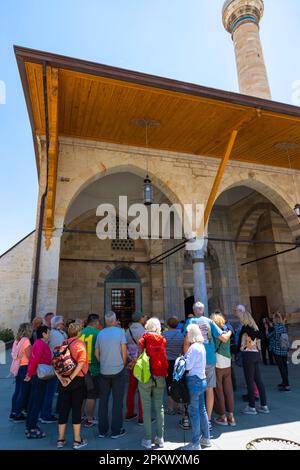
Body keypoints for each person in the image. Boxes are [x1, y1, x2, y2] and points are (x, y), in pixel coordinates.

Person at [183, 302, 231, 431]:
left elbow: (186, 341)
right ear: (203, 311)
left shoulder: (190, 321)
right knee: (209, 389)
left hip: (194, 360)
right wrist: (230, 332)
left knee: (192, 389)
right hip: (209, 358)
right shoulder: (209, 321)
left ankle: (191, 419)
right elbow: (223, 338)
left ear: (193, 310)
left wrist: (185, 359)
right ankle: (208, 420)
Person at [56, 321, 88, 449]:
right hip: (77, 380)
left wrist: (62, 379)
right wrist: (70, 378)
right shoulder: (80, 344)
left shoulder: (63, 343)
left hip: (63, 381)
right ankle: (77, 440)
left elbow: (56, 364)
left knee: (63, 409)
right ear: (79, 332)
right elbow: (81, 363)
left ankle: (60, 439)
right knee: (76, 409)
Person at [95, 311, 127, 439]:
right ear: (114, 321)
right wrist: (122, 363)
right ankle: (116, 430)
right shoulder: (120, 332)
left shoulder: (100, 333)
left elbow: (97, 353)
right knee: (117, 401)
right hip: (118, 370)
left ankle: (102, 431)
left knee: (103, 401)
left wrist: (103, 362)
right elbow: (123, 350)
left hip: (104, 370)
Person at [138, 317, 168, 450]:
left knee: (146, 407)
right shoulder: (162, 340)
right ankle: (160, 438)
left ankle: (148, 438)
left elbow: (141, 356)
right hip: (160, 374)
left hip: (146, 375)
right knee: (159, 406)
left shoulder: (143, 339)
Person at [183, 324, 210, 451]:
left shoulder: (193, 347)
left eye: (187, 333)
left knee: (194, 412)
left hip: (194, 380)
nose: (186, 336)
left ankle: (195, 443)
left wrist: (183, 359)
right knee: (202, 410)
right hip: (202, 379)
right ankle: (206, 438)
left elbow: (188, 366)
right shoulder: (201, 346)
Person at [237, 311, 270, 415]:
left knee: (250, 381)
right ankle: (264, 405)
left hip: (248, 356)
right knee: (258, 380)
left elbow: (240, 345)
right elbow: (261, 338)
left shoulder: (245, 329)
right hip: (256, 355)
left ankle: (251, 407)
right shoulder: (255, 328)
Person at [24, 325, 52, 439]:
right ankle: (32, 428)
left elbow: (32, 359)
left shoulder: (38, 343)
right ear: (44, 334)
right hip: (39, 377)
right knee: (36, 403)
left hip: (37, 376)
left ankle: (29, 426)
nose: (49, 334)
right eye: (48, 332)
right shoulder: (41, 344)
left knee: (33, 402)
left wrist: (29, 373)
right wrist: (29, 374)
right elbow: (34, 360)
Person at [40, 316, 67, 424]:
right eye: (61, 322)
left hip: (52, 365)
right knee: (49, 392)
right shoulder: (57, 335)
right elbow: (60, 352)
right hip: (55, 366)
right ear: (57, 324)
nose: (63, 324)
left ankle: (47, 412)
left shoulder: (54, 333)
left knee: (50, 391)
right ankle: (45, 415)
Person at [210, 313, 236, 427]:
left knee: (218, 389)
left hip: (218, 361)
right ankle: (231, 416)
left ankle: (222, 416)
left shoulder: (214, 332)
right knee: (228, 389)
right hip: (227, 360)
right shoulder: (227, 331)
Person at [125, 312, 148, 424]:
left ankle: (129, 413)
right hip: (141, 362)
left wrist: (131, 359)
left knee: (131, 388)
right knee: (142, 389)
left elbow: (125, 348)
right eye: (144, 317)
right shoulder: (144, 331)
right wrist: (138, 359)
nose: (145, 318)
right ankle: (142, 417)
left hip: (131, 363)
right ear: (140, 319)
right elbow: (144, 348)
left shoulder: (127, 331)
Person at [80, 313, 101, 427]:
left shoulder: (81, 332)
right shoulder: (98, 333)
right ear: (96, 322)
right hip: (93, 368)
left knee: (83, 394)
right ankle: (89, 418)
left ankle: (81, 415)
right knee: (91, 395)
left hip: (81, 368)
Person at [10, 323, 32, 422]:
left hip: (18, 368)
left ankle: (13, 412)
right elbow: (29, 356)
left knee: (17, 391)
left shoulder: (17, 340)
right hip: (24, 367)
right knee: (22, 392)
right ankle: (18, 415)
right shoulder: (26, 341)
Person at [163, 317, 184, 414]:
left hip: (167, 362)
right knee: (178, 383)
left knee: (169, 384)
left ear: (168, 325)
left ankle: (170, 408)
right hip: (178, 361)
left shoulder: (164, 335)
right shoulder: (181, 335)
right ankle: (180, 406)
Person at [266, 312, 290, 392]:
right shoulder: (283, 327)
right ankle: (284, 382)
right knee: (285, 367)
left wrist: (267, 329)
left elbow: (269, 336)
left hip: (277, 350)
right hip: (284, 349)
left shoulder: (275, 328)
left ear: (275, 320)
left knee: (281, 368)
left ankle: (286, 385)